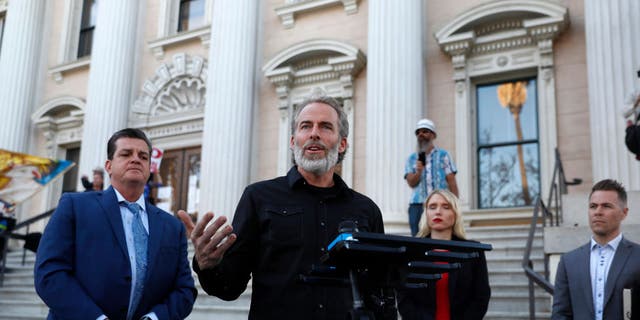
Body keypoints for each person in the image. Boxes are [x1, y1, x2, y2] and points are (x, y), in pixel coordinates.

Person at [178, 93, 397, 319]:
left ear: (342, 144)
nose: (314, 133)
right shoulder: (258, 197)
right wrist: (207, 264)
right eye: (305, 126)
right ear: (293, 141)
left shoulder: (366, 210)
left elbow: (380, 289)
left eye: (325, 127)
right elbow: (229, 287)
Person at [35, 128, 196, 320]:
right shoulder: (75, 206)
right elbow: (50, 273)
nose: (136, 159)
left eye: (143, 156)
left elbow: (184, 289)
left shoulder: (172, 226)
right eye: (126, 154)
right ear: (109, 166)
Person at [552, 179, 640, 319]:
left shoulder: (637, 256)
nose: (598, 212)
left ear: (624, 213)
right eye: (593, 206)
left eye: (606, 206)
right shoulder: (568, 262)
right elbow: (561, 314)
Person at [397, 189, 490, 320]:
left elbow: (481, 296)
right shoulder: (412, 252)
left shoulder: (473, 251)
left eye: (446, 207)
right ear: (426, 214)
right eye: (432, 207)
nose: (438, 212)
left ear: (455, 214)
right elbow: (404, 297)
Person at [404, 118, 459, 236]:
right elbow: (411, 183)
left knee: (440, 236)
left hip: (440, 205)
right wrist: (418, 171)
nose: (421, 135)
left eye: (425, 131)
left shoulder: (444, 155)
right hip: (417, 205)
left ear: (433, 135)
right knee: (418, 239)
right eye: (418, 132)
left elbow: (452, 181)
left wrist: (455, 206)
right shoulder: (412, 158)